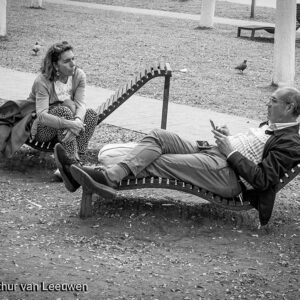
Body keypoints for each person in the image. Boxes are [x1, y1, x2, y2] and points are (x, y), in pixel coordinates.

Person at [54, 86, 300, 226]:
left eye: (273, 101)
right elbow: (254, 149)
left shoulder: (290, 142)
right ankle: (96, 177)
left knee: (158, 161)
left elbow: (263, 179)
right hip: (213, 153)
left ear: (289, 107)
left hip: (226, 173)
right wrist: (230, 137)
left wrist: (231, 151)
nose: (267, 104)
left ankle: (97, 175)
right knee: (158, 136)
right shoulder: (271, 125)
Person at [27, 41, 98, 175]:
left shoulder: (78, 75)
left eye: (73, 59)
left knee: (91, 114)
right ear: (55, 65)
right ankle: (72, 164)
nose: (73, 64)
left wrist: (76, 121)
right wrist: (70, 123)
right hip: (42, 129)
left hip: (65, 128)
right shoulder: (42, 81)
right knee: (63, 111)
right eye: (66, 61)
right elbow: (42, 115)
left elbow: (81, 104)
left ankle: (77, 159)